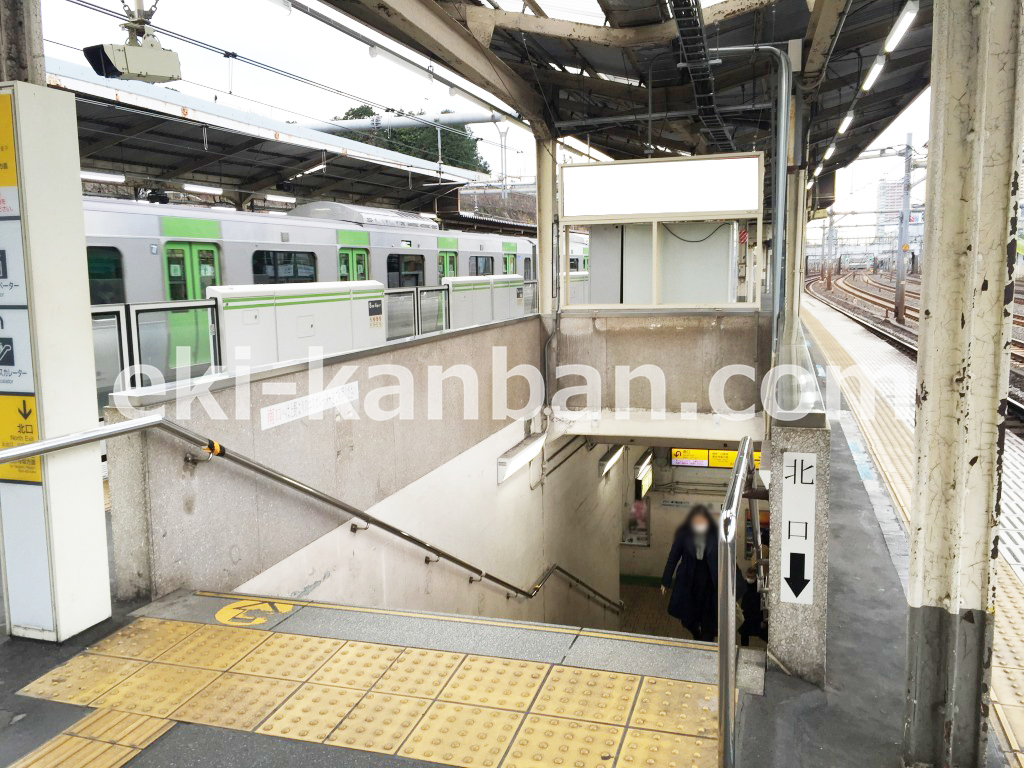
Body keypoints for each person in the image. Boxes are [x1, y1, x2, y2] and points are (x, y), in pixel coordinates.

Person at [660, 505, 719, 641]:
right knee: (687, 619)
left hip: (709, 581)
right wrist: (666, 581)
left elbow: (725, 557)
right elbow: (673, 556)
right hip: (688, 580)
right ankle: (696, 633)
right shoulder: (684, 535)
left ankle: (705, 643)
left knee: (708, 619)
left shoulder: (715, 534)